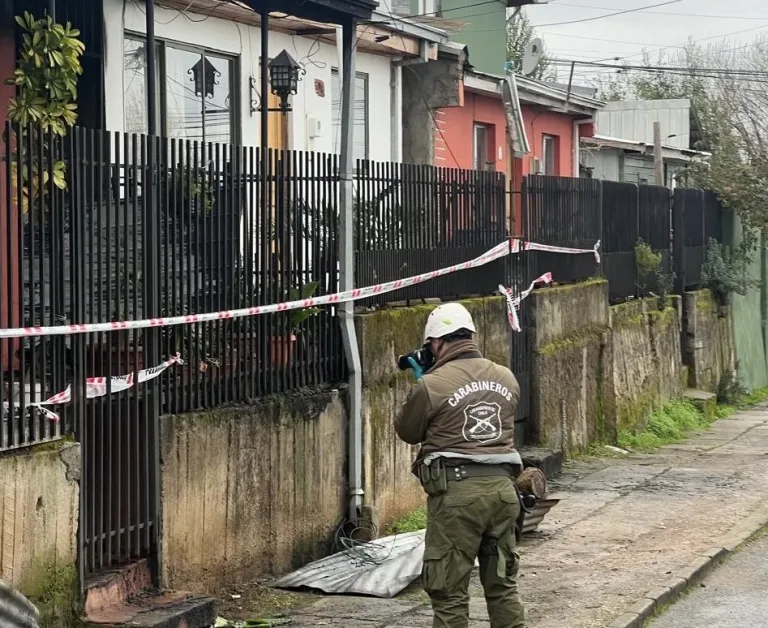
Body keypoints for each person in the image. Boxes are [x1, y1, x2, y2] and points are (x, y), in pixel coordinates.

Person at [394, 302, 524, 628]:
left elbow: (408, 432)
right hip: (504, 493)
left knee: (449, 593)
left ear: (436, 343)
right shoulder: (506, 377)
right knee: (502, 586)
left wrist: (424, 383)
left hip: (458, 498)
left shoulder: (432, 385)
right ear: (470, 336)